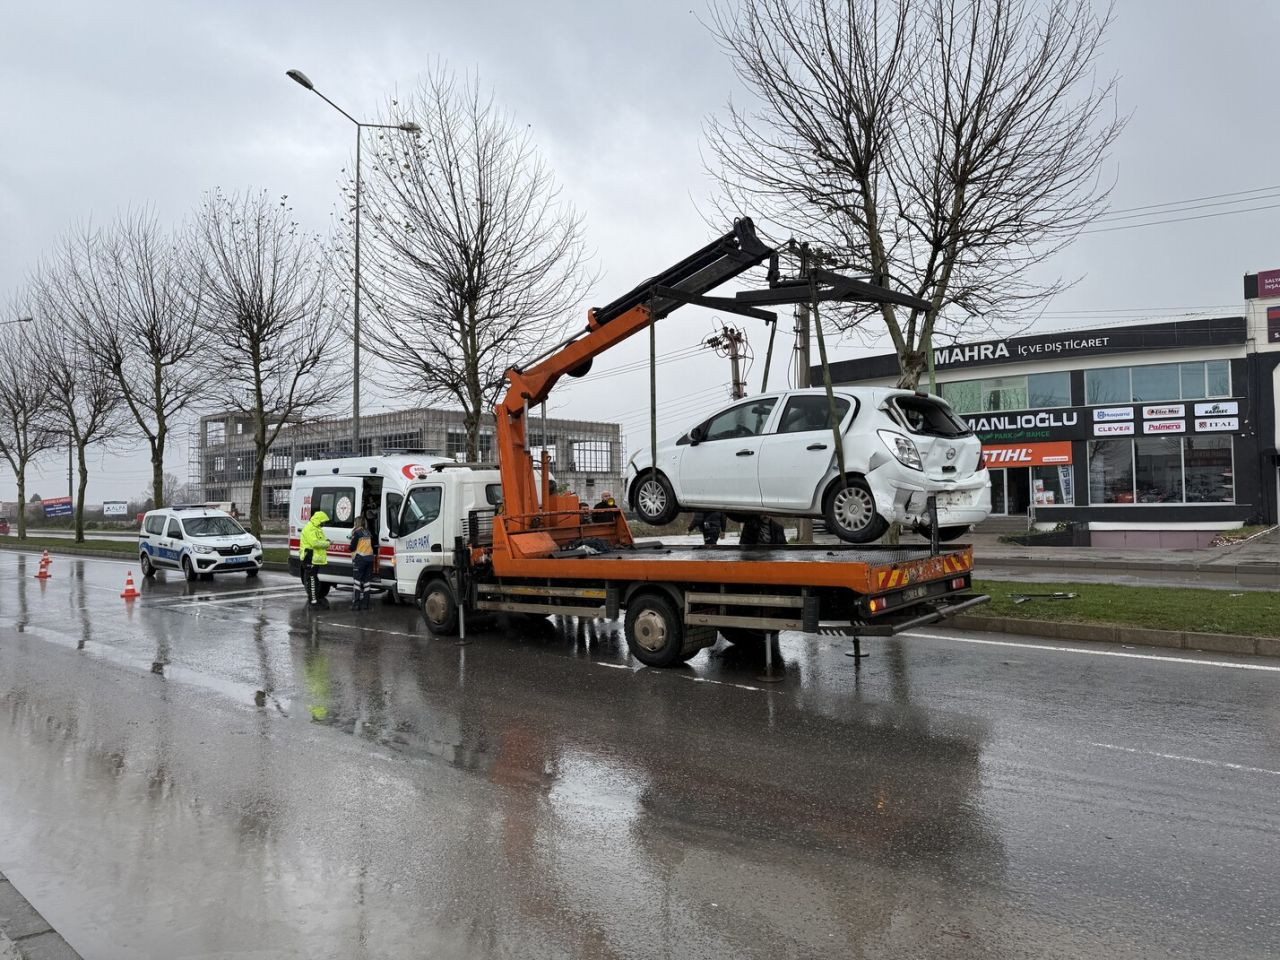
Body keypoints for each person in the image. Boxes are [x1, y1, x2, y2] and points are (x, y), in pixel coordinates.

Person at [299, 510, 331, 608]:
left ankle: (315, 599)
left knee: (314, 579)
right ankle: (313, 602)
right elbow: (315, 543)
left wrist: (326, 542)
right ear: (319, 520)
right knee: (312, 580)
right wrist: (327, 543)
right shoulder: (310, 528)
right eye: (323, 522)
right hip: (309, 557)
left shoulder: (316, 528)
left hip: (313, 558)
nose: (324, 524)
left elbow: (320, 540)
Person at [349, 511, 377, 610]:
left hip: (360, 559)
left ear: (357, 523)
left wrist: (349, 547)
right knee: (367, 582)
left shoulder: (357, 533)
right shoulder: (368, 532)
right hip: (369, 559)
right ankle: (366, 603)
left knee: (357, 582)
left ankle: (356, 604)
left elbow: (352, 547)